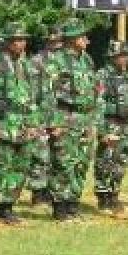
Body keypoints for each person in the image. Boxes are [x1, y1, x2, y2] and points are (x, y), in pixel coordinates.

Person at [0, 22, 38, 225]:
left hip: (22, 124)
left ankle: (7, 207)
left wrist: (33, 123)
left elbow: (31, 96)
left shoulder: (25, 63)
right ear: (7, 41)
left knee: (19, 168)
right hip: (2, 122)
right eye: (17, 40)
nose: (21, 44)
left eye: (23, 40)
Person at [46, 19, 97, 221]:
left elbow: (93, 92)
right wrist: (54, 123)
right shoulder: (57, 60)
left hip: (84, 118)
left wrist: (92, 122)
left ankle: (73, 205)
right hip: (65, 116)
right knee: (63, 165)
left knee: (81, 164)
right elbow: (48, 94)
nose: (87, 40)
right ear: (72, 39)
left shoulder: (86, 60)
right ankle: (60, 208)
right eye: (82, 36)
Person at [95, 40, 128, 212]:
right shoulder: (102, 76)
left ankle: (114, 194)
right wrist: (101, 131)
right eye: (121, 56)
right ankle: (104, 197)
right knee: (106, 161)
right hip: (110, 124)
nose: (124, 59)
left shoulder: (126, 76)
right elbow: (98, 104)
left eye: (126, 56)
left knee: (121, 162)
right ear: (112, 57)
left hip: (125, 125)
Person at [27, 25, 61, 205]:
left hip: (60, 115)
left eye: (59, 40)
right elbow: (31, 92)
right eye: (53, 40)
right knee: (40, 155)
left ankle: (52, 190)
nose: (56, 44)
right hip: (41, 114)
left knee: (58, 155)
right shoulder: (37, 61)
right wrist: (33, 119)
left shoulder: (64, 61)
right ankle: (38, 192)